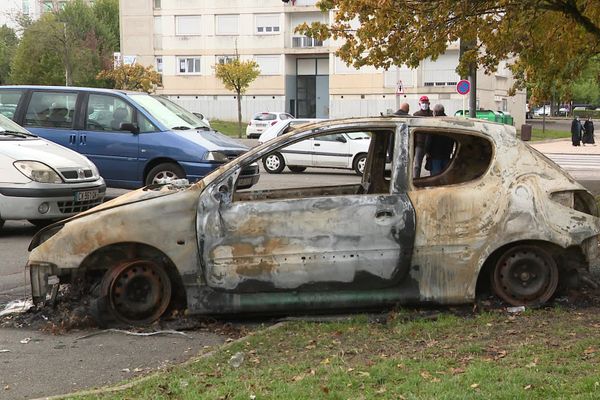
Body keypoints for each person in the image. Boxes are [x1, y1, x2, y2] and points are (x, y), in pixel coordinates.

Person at [426, 104, 455, 175]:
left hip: (435, 155)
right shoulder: (449, 122)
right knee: (444, 176)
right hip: (446, 154)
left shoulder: (433, 123)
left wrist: (427, 151)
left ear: (435, 112)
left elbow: (429, 140)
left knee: (435, 177)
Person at [412, 96, 433, 177]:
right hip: (420, 144)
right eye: (423, 103)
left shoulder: (432, 114)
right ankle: (416, 180)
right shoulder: (416, 115)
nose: (424, 104)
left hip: (431, 143)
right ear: (419, 104)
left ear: (429, 103)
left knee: (432, 164)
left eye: (426, 102)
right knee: (417, 165)